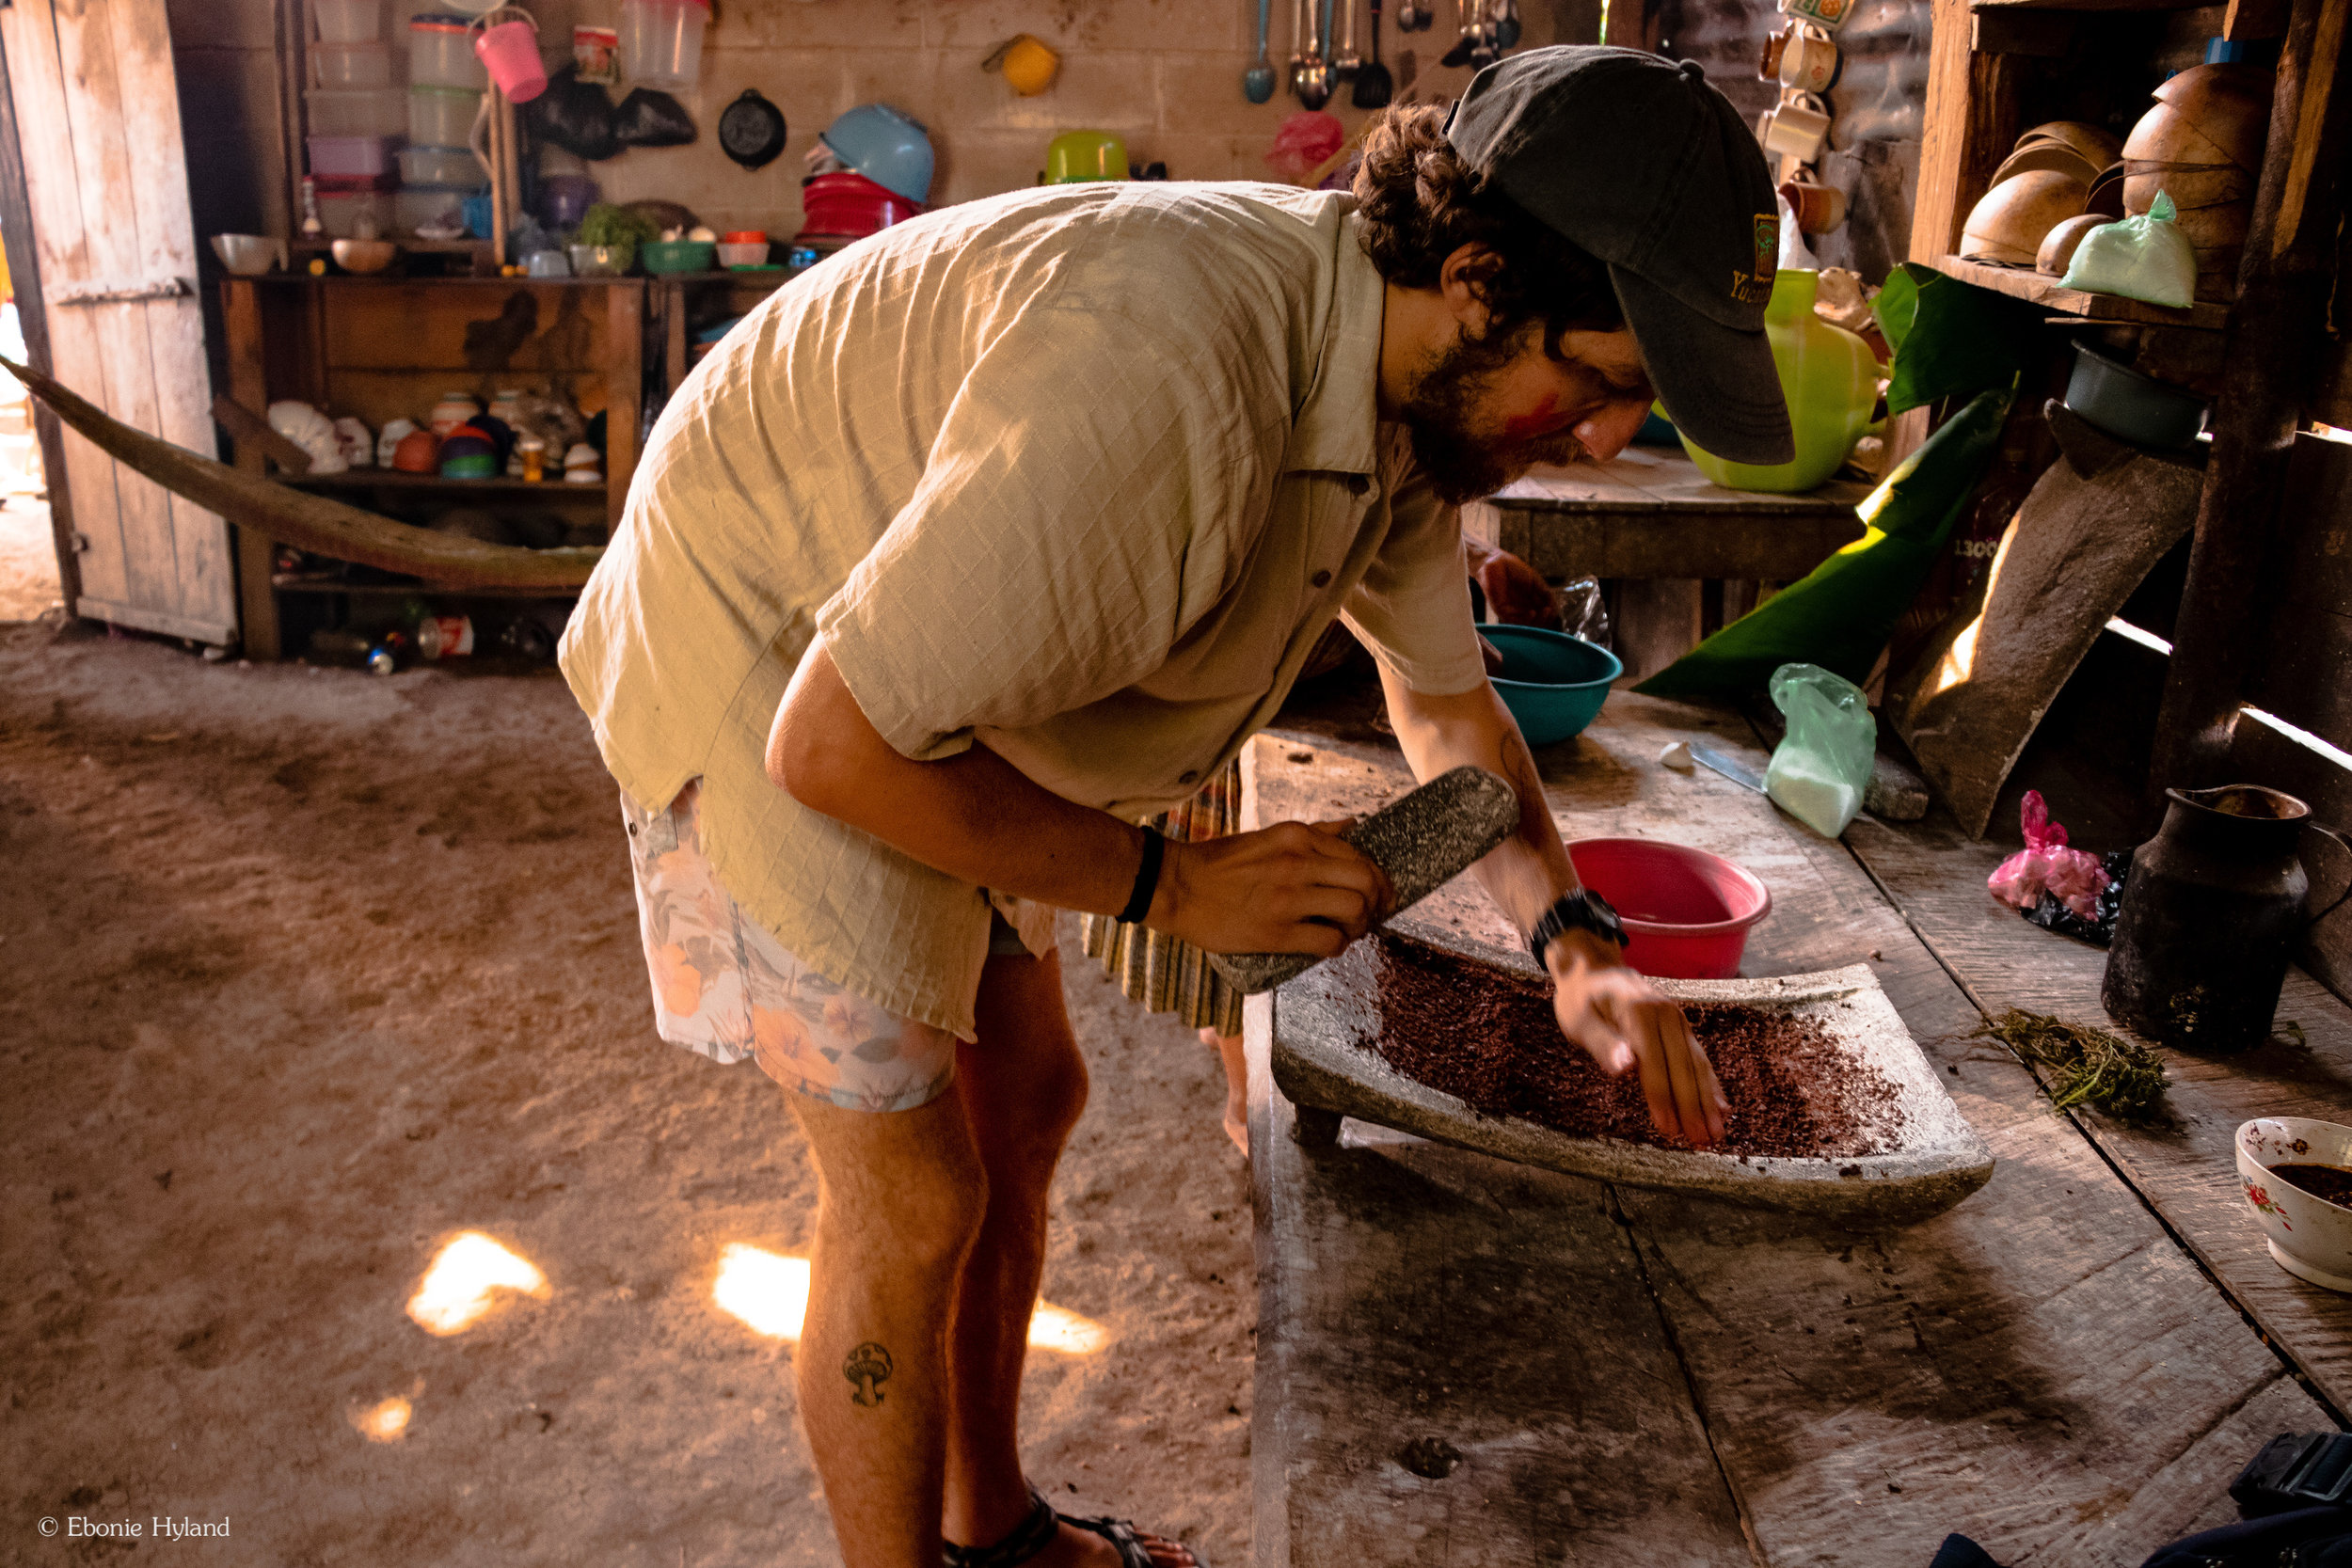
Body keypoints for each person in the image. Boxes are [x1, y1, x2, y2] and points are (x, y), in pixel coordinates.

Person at [562, 45, 1792, 1568]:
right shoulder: (1170, 379)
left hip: (921, 662)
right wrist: (1169, 886)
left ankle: (994, 1531)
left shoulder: (1407, 397)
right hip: (770, 645)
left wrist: (1576, 940)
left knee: (1028, 1098)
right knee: (914, 1197)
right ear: (1478, 277)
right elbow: (837, 746)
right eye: (1603, 385)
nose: (1606, 439)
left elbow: (1447, 700)